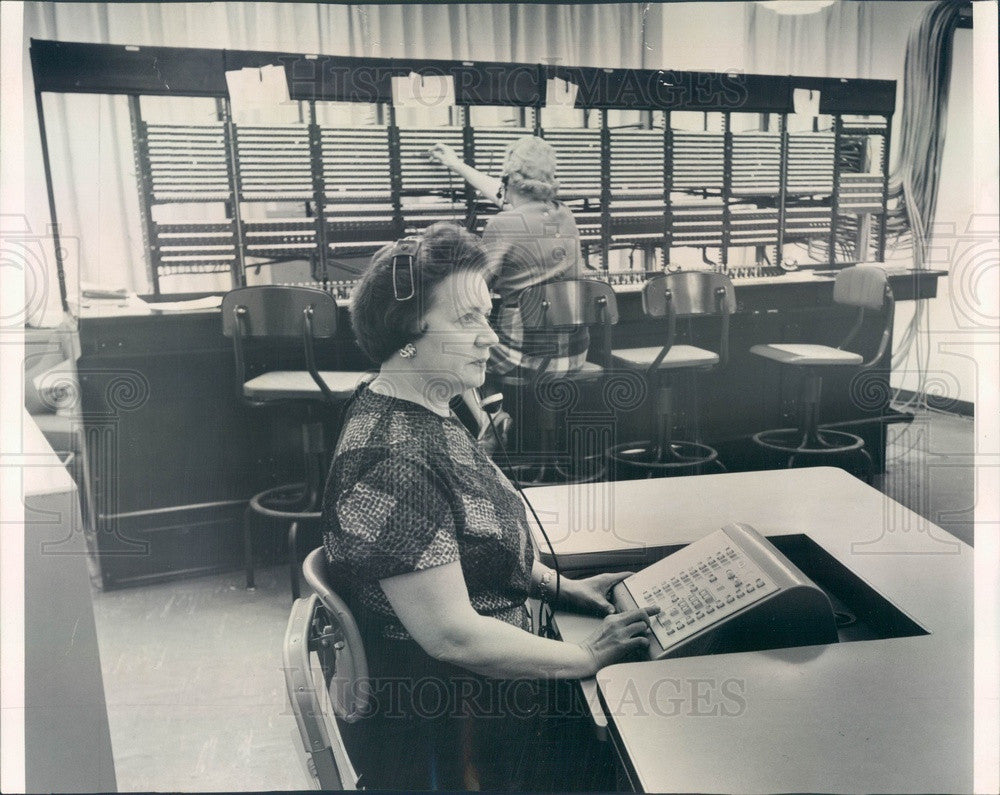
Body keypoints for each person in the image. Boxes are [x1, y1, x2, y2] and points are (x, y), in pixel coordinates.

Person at [322, 222, 656, 790]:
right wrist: (589, 657)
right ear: (407, 333)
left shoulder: (421, 405)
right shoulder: (394, 460)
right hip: (460, 729)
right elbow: (452, 635)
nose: (490, 337)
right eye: (467, 319)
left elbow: (468, 545)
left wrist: (560, 586)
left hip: (480, 699)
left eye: (487, 315)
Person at [428, 136, 590, 386]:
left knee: (447, 346)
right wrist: (456, 164)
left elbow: (471, 292)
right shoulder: (563, 213)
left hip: (526, 358)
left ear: (509, 181)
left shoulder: (501, 225)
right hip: (573, 355)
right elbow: (514, 206)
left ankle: (486, 418)